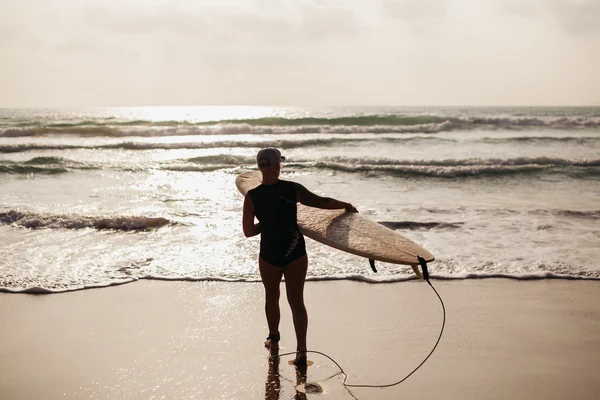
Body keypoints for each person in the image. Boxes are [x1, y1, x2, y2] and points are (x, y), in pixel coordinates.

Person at [242, 148, 357, 366]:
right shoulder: (291, 189)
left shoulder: (252, 196)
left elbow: (248, 231)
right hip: (295, 251)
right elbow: (321, 201)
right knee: (296, 301)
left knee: (271, 296)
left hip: (269, 254)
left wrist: (266, 223)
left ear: (260, 167)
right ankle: (301, 350)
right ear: (278, 165)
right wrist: (345, 206)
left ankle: (274, 340)